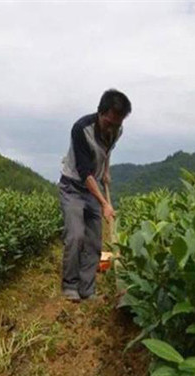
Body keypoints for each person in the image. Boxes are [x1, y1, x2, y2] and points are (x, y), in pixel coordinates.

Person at [58, 89, 131, 301]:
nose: (113, 127)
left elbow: (108, 150)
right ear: (100, 113)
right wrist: (104, 203)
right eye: (109, 122)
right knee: (76, 235)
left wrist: (106, 170)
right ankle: (70, 286)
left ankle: (87, 290)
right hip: (72, 187)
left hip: (93, 188)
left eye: (117, 124)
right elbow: (85, 173)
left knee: (94, 242)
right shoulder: (81, 129)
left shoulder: (117, 129)